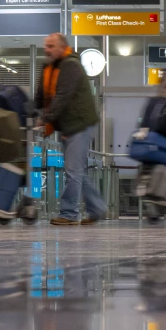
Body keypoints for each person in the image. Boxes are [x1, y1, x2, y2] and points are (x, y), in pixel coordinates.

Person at [34, 32, 107, 226]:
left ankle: (69, 213)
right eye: (46, 45)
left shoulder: (71, 65)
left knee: (73, 170)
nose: (47, 49)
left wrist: (45, 119)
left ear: (62, 47)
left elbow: (63, 97)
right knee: (77, 171)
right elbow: (41, 96)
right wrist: (32, 112)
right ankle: (97, 209)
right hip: (67, 124)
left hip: (80, 124)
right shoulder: (49, 67)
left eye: (51, 46)